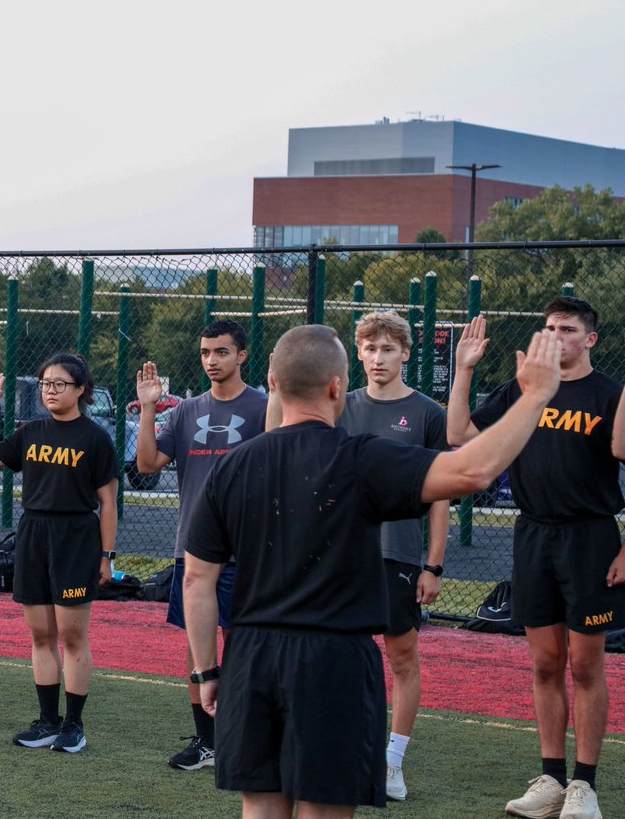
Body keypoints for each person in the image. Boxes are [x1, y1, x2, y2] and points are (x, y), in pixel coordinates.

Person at [183, 323, 562, 819]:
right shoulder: (359, 458)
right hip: (333, 660)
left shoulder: (230, 467)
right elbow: (472, 471)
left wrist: (207, 670)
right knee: (325, 807)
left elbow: (197, 580)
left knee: (260, 807)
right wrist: (535, 397)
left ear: (272, 383)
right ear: (337, 387)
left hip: (250, 656)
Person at [448, 298, 625, 819]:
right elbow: (459, 436)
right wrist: (464, 370)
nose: (555, 335)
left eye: (567, 329)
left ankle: (585, 786)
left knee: (585, 665)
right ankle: (551, 779)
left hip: (590, 539)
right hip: (532, 536)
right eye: (549, 327)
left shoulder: (610, 394)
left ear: (590, 339)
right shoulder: (523, 388)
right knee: (545, 663)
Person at [134, 319, 267, 771]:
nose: (212, 360)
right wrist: (149, 409)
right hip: (193, 551)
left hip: (247, 550)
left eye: (221, 352)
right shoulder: (185, 411)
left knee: (243, 643)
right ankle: (206, 741)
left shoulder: (265, 408)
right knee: (198, 643)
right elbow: (146, 464)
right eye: (206, 353)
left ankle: (244, 739)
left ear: (241, 355)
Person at [0, 356, 119, 754]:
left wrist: (106, 556)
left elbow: (108, 503)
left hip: (75, 538)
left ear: (81, 389)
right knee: (41, 635)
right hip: (33, 535)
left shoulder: (95, 438)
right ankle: (47, 721)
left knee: (72, 636)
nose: (50, 390)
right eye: (45, 383)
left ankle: (74, 725)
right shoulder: (31, 432)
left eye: (60, 384)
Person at [336, 312, 449, 802]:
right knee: (339, 654)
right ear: (358, 353)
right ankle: (346, 751)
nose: (378, 358)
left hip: (398, 555)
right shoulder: (338, 405)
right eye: (370, 348)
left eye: (387, 349)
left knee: (401, 657)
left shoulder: (427, 413)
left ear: (405, 352)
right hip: (341, 553)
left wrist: (434, 565)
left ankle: (392, 762)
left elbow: (440, 496)